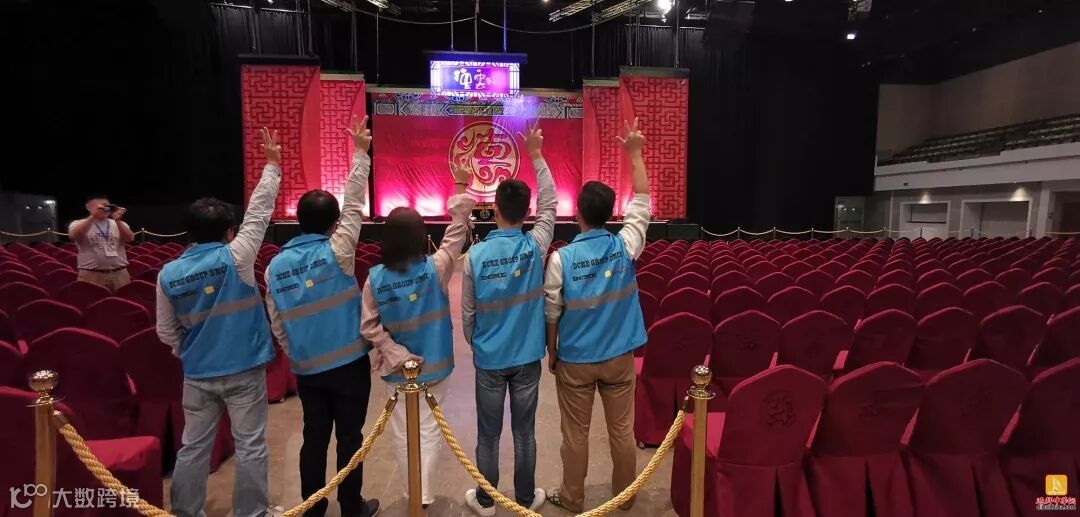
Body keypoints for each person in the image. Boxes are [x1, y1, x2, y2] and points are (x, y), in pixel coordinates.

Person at [156, 127, 282, 517]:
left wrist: (191, 350)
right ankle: (251, 513)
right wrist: (272, 165)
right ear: (229, 232)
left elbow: (166, 331)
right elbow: (259, 212)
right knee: (251, 445)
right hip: (244, 368)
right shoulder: (236, 257)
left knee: (193, 446)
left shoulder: (167, 274)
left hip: (197, 373)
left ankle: (186, 511)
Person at [264, 116, 380, 517]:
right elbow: (354, 206)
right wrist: (360, 155)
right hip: (349, 365)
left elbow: (277, 323)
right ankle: (352, 506)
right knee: (350, 438)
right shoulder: (338, 252)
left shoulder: (275, 267)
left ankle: (312, 508)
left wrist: (297, 351)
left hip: (307, 368)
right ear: (334, 224)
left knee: (313, 437)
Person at [543, 118, 651, 513]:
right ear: (609, 214)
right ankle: (625, 497)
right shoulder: (625, 246)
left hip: (575, 360)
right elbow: (642, 203)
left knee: (575, 435)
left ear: (578, 214)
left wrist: (552, 351)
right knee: (622, 432)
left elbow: (552, 311)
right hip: (620, 358)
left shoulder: (561, 259)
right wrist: (635, 154)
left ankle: (573, 498)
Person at [360, 161, 476, 511]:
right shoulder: (435, 268)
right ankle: (422, 494)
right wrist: (459, 184)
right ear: (419, 236)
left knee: (401, 431)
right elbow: (458, 230)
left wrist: (394, 352)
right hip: (436, 365)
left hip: (397, 371)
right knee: (429, 428)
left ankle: (415, 492)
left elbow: (368, 327)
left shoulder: (375, 278)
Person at [460, 121, 556, 515]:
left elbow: (467, 316)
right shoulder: (535, 246)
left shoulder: (475, 256)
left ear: (494, 209)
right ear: (527, 212)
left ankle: (486, 499)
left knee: (487, 435)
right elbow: (551, 205)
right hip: (527, 357)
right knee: (524, 433)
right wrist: (536, 155)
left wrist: (479, 342)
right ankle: (525, 498)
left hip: (489, 358)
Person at [68, 194, 135, 291]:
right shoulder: (78, 223)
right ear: (88, 207)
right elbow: (73, 236)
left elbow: (130, 238)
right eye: (99, 206)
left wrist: (118, 220)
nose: (104, 209)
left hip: (119, 273)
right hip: (90, 275)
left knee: (122, 300)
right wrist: (93, 217)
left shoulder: (119, 223)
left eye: (106, 206)